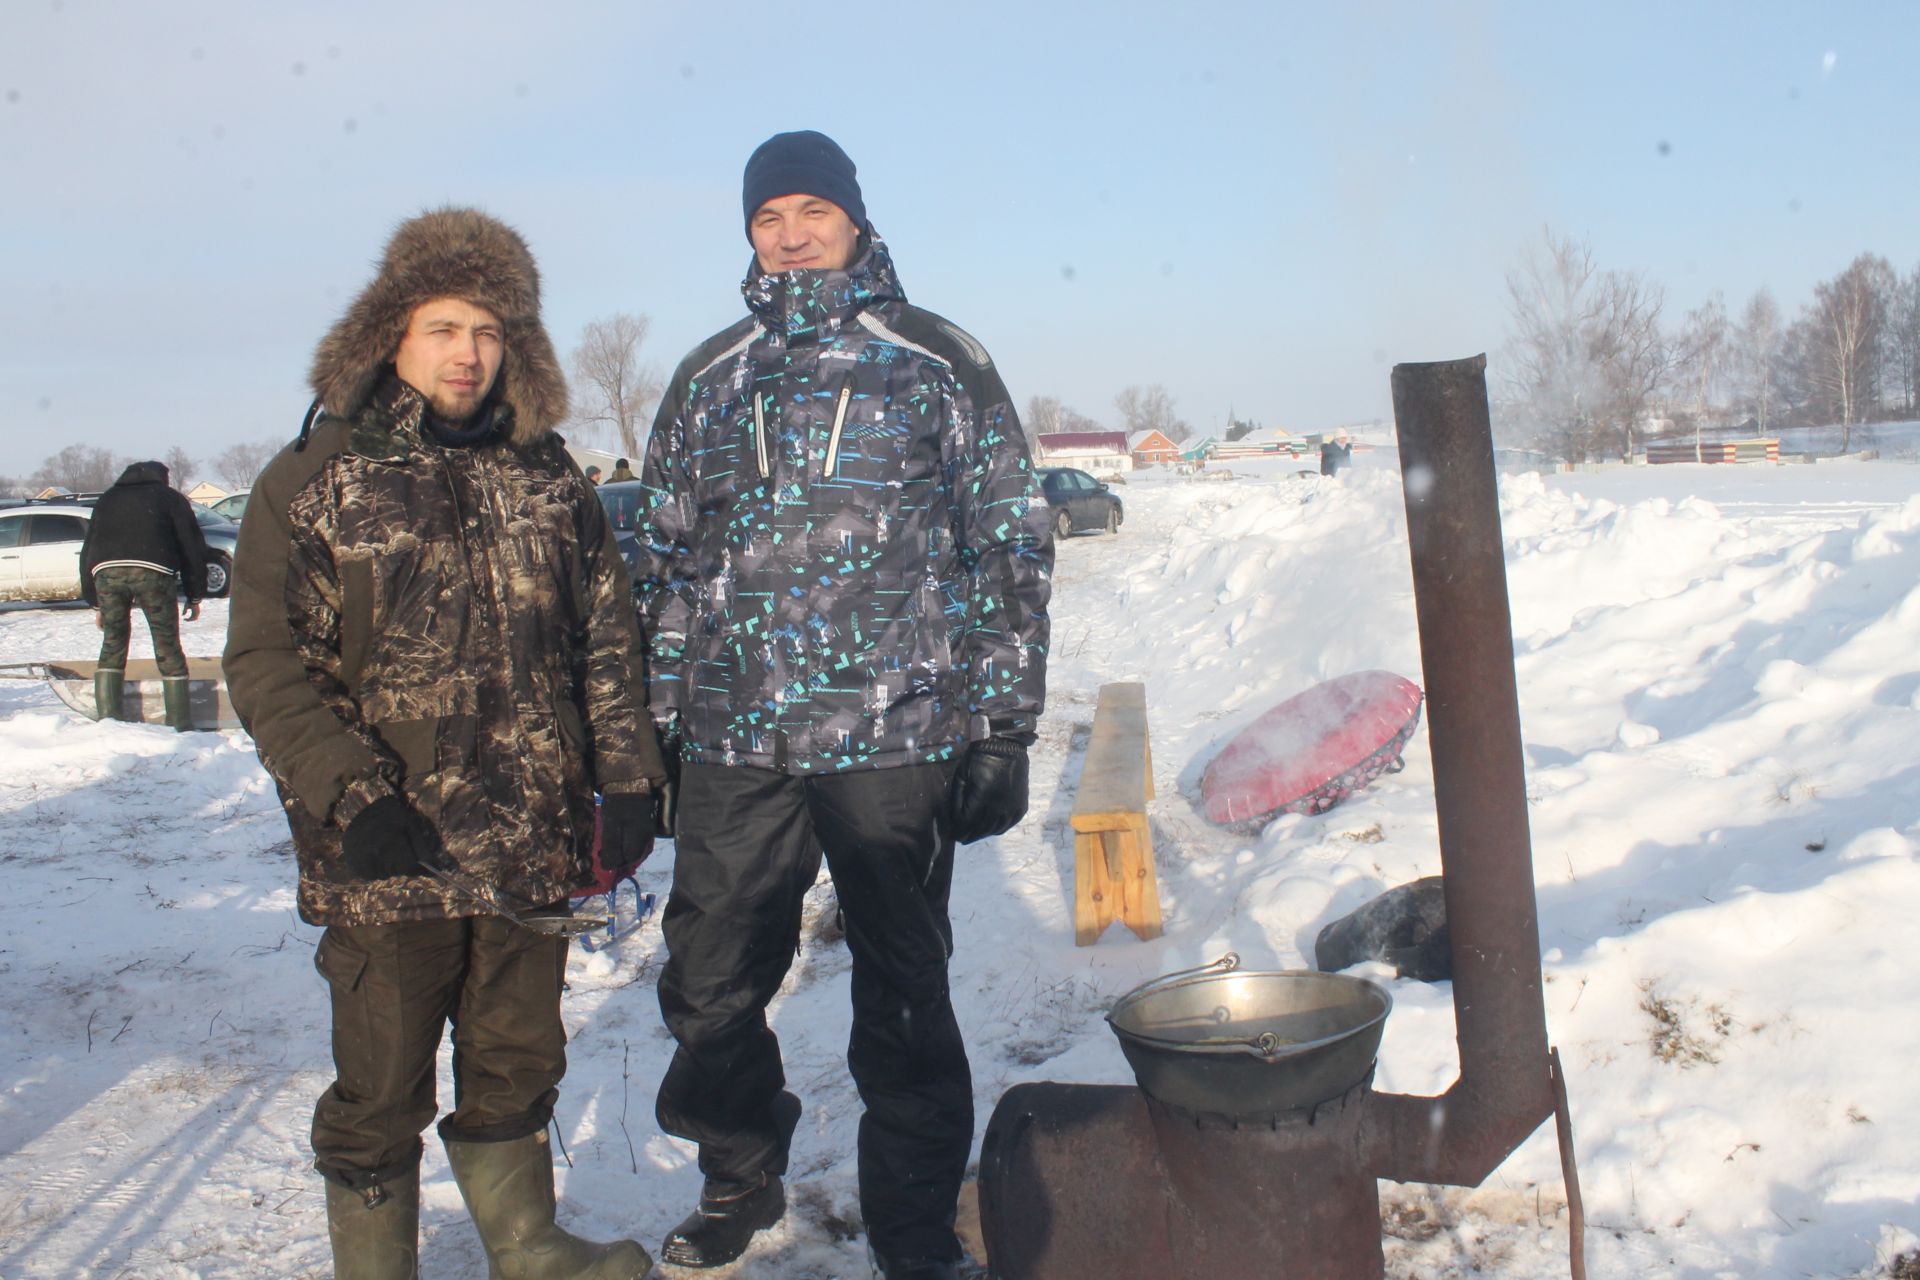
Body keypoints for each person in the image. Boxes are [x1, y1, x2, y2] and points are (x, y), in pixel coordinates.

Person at [634, 130, 1054, 1280]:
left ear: (857, 220)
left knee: (904, 1000)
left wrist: (1002, 724)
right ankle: (739, 1170)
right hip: (735, 737)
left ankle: (914, 1231)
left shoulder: (935, 357)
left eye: (815, 208)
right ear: (751, 233)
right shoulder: (710, 373)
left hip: (896, 731)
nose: (793, 231)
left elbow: (1005, 544)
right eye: (771, 215)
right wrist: (656, 728)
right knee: (708, 985)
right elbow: (665, 561)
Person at [224, 208, 666, 1280]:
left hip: (533, 837)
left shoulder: (551, 475)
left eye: (488, 328)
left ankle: (525, 1243)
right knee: (380, 1084)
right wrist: (353, 796)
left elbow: (606, 636)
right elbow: (269, 663)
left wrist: (632, 773)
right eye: (443, 327)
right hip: (391, 848)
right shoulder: (316, 478)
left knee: (518, 1055)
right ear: (392, 335)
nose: (468, 351)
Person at [79, 459, 210, 730]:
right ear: (163, 478)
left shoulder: (107, 499)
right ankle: (179, 723)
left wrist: (95, 602)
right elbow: (192, 547)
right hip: (154, 571)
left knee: (113, 641)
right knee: (166, 643)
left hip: (106, 573)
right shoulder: (170, 498)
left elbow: (88, 550)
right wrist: (195, 594)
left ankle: (109, 720)